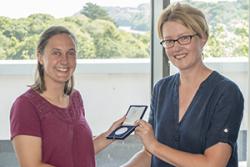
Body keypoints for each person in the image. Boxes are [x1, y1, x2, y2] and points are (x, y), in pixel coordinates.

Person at [122, 2, 244, 167]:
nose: (176, 48)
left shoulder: (226, 92)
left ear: (203, 38)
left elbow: (213, 164)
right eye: (169, 41)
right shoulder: (161, 89)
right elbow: (149, 154)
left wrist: (154, 145)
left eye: (184, 38)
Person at [10, 25, 125, 167]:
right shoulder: (25, 106)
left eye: (70, 53)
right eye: (56, 53)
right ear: (40, 57)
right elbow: (31, 165)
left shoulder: (75, 98)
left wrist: (110, 134)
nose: (64, 60)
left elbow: (81, 152)